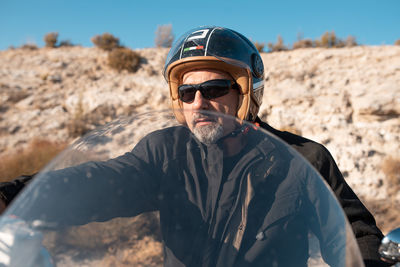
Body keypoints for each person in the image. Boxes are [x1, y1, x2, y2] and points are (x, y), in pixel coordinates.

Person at [0, 26, 388, 266]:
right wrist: (12, 195)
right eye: (187, 92)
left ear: (247, 93)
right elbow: (100, 183)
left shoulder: (304, 159)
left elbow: (354, 237)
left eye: (214, 88)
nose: (198, 102)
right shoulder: (165, 151)